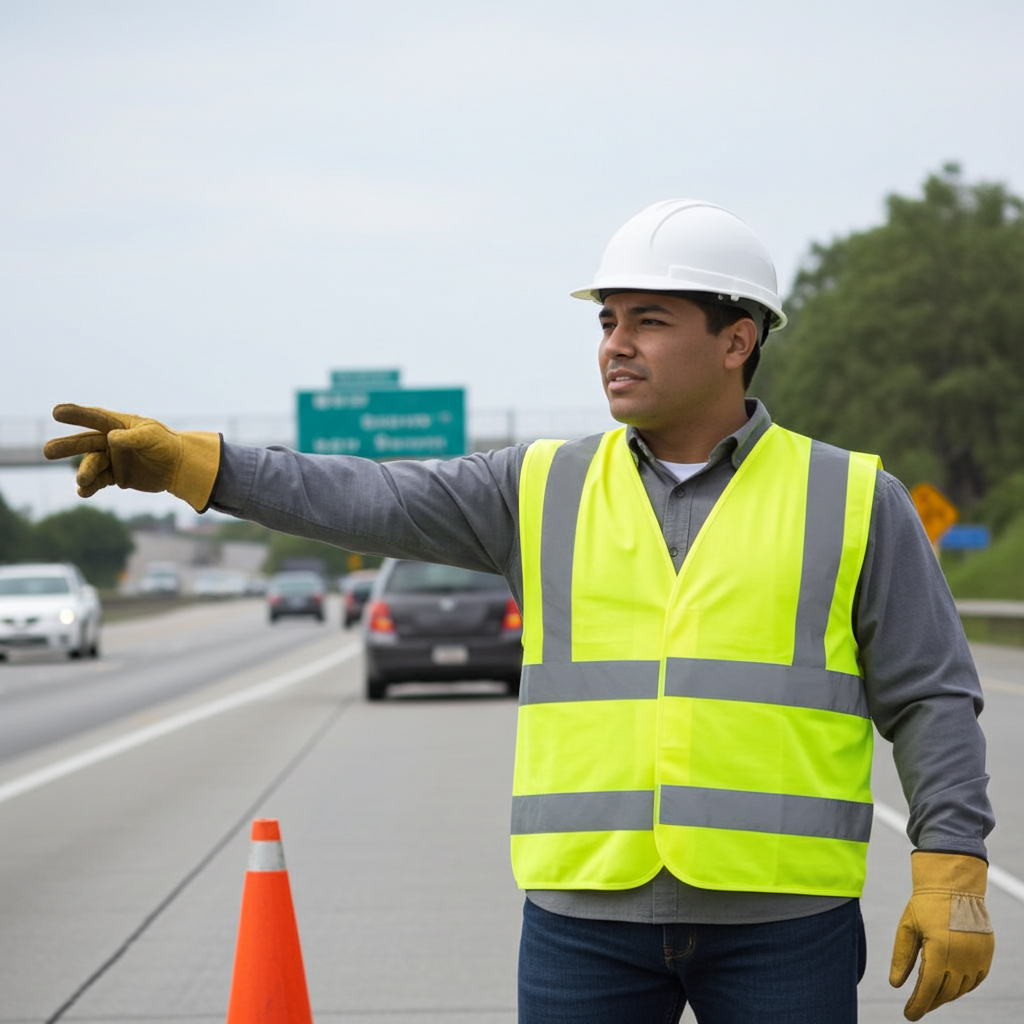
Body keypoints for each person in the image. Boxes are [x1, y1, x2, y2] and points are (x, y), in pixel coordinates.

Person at [44, 199, 994, 1023]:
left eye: (649, 320)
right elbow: (367, 496)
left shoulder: (853, 498)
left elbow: (931, 695)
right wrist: (201, 465)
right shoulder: (537, 486)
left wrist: (951, 866)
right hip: (584, 923)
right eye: (608, 320)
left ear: (737, 338)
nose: (616, 343)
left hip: (785, 923)